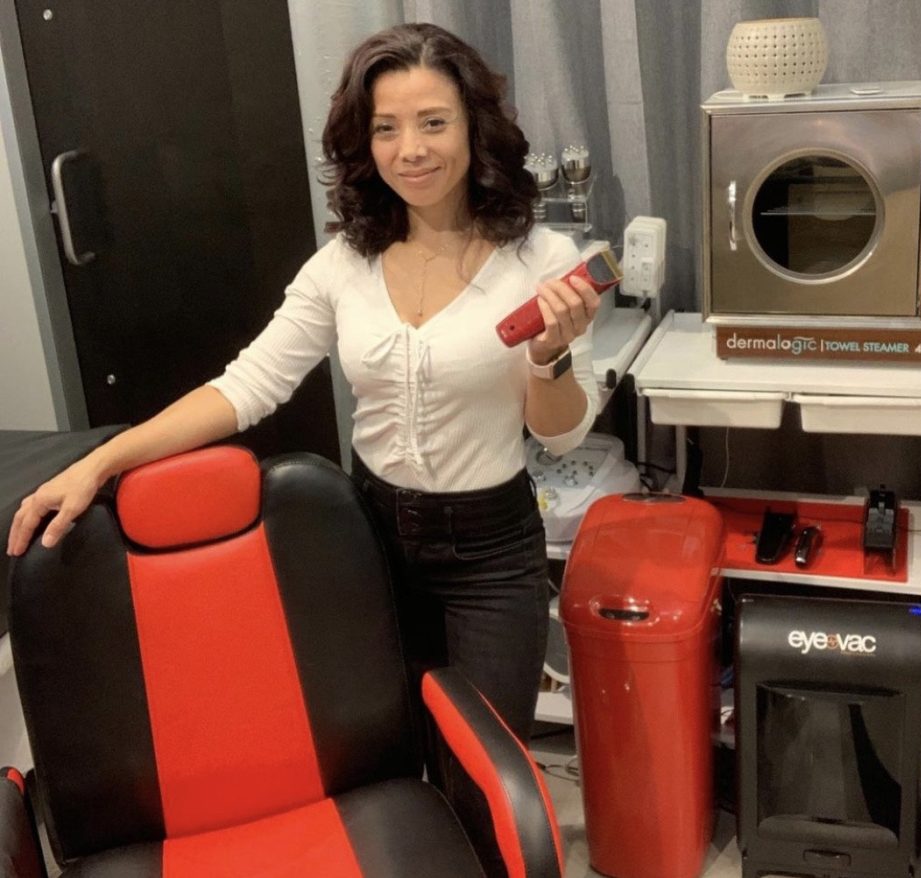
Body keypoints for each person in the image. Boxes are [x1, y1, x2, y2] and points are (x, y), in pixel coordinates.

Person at [8, 21, 598, 762]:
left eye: (433, 122)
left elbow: (561, 434)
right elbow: (248, 385)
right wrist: (102, 461)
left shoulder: (539, 258)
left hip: (491, 553)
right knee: (381, 759)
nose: (410, 149)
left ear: (475, 128)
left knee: (484, 766)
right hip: (367, 538)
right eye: (385, 128)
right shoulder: (345, 263)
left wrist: (548, 356)